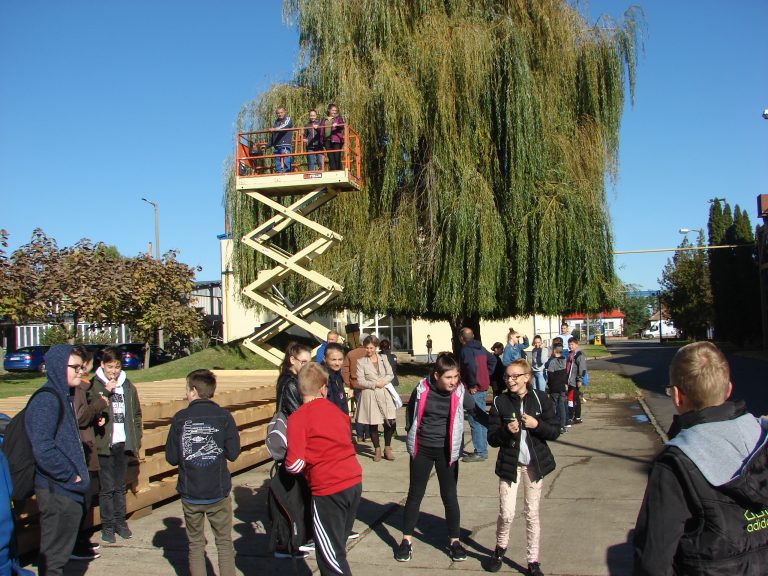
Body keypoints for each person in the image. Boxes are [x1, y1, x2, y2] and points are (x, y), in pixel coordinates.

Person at [633, 342, 768, 574]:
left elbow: (653, 561)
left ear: (676, 396)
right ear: (728, 390)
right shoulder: (761, 437)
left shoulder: (675, 464)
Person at [395, 352, 475, 563]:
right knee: (415, 495)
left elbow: (472, 407)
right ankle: (406, 540)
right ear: (437, 375)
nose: (453, 381)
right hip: (423, 449)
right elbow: (410, 412)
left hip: (447, 452)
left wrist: (462, 389)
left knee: (449, 496)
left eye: (456, 376)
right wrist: (412, 436)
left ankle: (455, 541)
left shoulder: (458, 390)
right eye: (449, 377)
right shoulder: (421, 390)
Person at [285, 363, 362, 576]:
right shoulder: (337, 412)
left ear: (300, 390)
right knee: (338, 544)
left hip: (327, 488)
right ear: (323, 388)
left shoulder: (298, 418)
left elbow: (295, 464)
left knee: (329, 555)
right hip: (353, 480)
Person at [485, 359, 560, 576]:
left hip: (534, 466)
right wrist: (506, 431)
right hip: (510, 466)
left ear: (527, 377)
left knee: (532, 513)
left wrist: (537, 425)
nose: (510, 380)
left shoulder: (540, 399)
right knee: (507, 513)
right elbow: (492, 438)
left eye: (515, 376)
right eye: (507, 376)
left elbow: (554, 431)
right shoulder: (500, 402)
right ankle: (499, 548)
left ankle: (533, 561)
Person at [165, 369, 241, 576]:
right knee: (224, 542)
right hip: (217, 489)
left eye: (187, 390)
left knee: (196, 544)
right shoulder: (224, 416)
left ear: (193, 391)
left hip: (191, 492)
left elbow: (171, 457)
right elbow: (233, 453)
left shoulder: (180, 418)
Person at [25, 344, 90, 576]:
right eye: (75, 367)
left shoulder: (63, 396)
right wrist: (71, 475)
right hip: (58, 491)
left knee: (57, 559)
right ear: (57, 367)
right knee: (54, 561)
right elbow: (43, 448)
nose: (80, 371)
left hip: (66, 490)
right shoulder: (47, 400)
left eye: (81, 367)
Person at [89, 346, 143, 544]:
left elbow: (136, 413)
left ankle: (121, 523)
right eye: (110, 366)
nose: (114, 371)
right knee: (107, 488)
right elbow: (89, 410)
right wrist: (106, 390)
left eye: (117, 366)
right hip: (104, 444)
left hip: (123, 442)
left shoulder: (127, 385)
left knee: (120, 486)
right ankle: (108, 526)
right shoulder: (94, 386)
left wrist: (136, 435)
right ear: (102, 365)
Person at [71, 345, 108, 561]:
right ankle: (75, 544)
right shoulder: (77, 390)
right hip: (82, 450)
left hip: (88, 446)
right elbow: (79, 417)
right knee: (81, 500)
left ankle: (81, 539)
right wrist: (99, 404)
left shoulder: (82, 388)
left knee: (86, 499)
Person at [355, 335, 397, 461]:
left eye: (371, 348)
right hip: (370, 394)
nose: (369, 350)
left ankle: (387, 447)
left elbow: (390, 374)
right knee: (373, 424)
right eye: (367, 348)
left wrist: (383, 382)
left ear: (376, 347)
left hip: (384, 392)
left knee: (389, 422)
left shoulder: (384, 358)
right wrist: (374, 384)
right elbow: (360, 380)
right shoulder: (361, 362)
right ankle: (377, 449)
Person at [458, 328, 497, 463]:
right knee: (480, 417)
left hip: (474, 388)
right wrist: (486, 376)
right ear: (473, 336)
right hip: (483, 386)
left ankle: (480, 451)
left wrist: (473, 383)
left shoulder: (466, 350)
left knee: (475, 419)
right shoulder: (481, 348)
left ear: (461, 338)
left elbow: (470, 366)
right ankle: (482, 450)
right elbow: (493, 360)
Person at [276, 343, 312, 417]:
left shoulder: (296, 379)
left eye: (309, 363)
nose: (307, 367)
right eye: (303, 362)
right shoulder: (290, 383)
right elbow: (298, 414)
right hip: (291, 426)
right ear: (292, 360)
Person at [342, 342, 368, 442]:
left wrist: (348, 383)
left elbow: (345, 370)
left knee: (359, 409)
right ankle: (368, 434)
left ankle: (360, 434)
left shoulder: (351, 353)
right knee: (368, 409)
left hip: (356, 384)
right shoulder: (370, 353)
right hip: (368, 385)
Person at [545, 343, 569, 433]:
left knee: (553, 406)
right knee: (562, 406)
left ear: (554, 351)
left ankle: (554, 424)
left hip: (554, 388)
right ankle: (562, 426)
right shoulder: (564, 361)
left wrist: (548, 386)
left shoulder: (552, 362)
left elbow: (550, 376)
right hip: (562, 387)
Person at [321, 343, 349, 416]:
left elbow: (341, 398)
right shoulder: (322, 376)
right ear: (325, 359)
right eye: (333, 360)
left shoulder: (337, 373)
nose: (337, 363)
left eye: (340, 359)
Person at [566, 337, 586, 425]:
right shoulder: (570, 354)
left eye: (572, 344)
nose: (570, 346)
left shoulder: (579, 355)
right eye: (569, 344)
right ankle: (576, 417)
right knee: (575, 399)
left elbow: (582, 369)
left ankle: (572, 417)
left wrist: (579, 380)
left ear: (576, 345)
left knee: (572, 399)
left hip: (574, 381)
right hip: (569, 381)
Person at [269, 106, 294, 173]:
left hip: (285, 144)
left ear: (284, 112)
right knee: (277, 159)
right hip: (277, 145)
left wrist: (275, 129)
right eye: (278, 113)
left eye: (281, 112)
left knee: (286, 159)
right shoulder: (276, 122)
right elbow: (273, 136)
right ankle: (278, 172)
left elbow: (285, 126)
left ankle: (287, 172)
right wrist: (267, 145)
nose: (280, 114)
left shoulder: (288, 119)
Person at [320, 103, 344, 171]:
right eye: (333, 110)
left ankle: (339, 170)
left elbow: (342, 126)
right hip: (327, 140)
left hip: (336, 139)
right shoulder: (324, 119)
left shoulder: (338, 118)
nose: (334, 112)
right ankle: (333, 170)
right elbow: (321, 129)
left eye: (335, 110)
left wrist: (337, 125)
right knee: (330, 157)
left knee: (337, 156)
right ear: (329, 110)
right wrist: (316, 127)